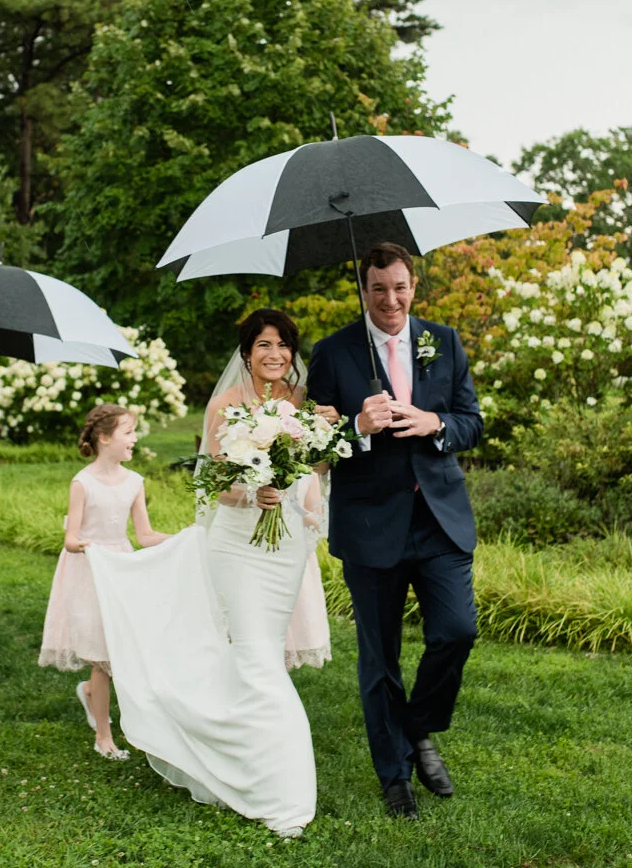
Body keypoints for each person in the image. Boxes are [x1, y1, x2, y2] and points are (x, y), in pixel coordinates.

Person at [86, 308, 338, 838]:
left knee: (263, 652)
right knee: (254, 655)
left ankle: (240, 759)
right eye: (264, 345)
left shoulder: (302, 404)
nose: (275, 354)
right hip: (238, 542)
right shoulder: (225, 405)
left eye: (284, 344)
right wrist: (253, 489)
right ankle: (283, 792)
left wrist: (318, 453)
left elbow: (317, 470)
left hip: (287, 545)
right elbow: (216, 483)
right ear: (246, 352)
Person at [306, 241, 483, 820]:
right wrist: (359, 425)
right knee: (379, 660)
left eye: (400, 287)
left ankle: (420, 725)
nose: (391, 299)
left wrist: (436, 424)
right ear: (363, 290)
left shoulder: (444, 341)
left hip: (438, 518)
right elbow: (313, 446)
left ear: (414, 286)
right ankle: (395, 778)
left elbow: (470, 421)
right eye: (378, 289)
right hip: (369, 526)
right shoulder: (332, 354)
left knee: (457, 630)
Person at [39, 404, 169, 760]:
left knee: (120, 652)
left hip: (120, 569)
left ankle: (90, 693)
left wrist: (180, 538)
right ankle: (103, 736)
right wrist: (86, 547)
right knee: (103, 656)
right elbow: (71, 538)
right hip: (89, 570)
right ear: (104, 438)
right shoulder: (83, 483)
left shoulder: (135, 482)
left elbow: (143, 535)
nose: (135, 438)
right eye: (128, 432)